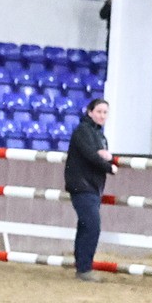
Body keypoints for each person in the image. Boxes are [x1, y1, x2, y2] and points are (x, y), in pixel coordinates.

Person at [63, 98, 117, 282]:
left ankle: (82, 267)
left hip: (90, 186)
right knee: (92, 226)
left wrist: (103, 157)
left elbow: (96, 155)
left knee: (86, 226)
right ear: (90, 112)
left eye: (105, 112)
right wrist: (109, 165)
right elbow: (90, 155)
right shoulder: (83, 132)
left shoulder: (97, 135)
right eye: (99, 111)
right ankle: (85, 268)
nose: (102, 116)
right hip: (82, 185)